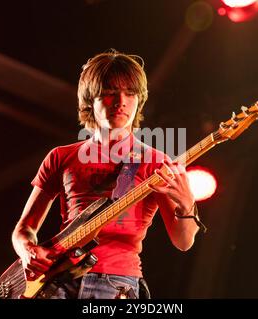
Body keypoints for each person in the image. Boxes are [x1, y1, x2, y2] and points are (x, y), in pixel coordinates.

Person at [11, 49, 205, 299]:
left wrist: (187, 202)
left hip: (116, 284)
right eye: (110, 92)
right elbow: (24, 228)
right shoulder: (61, 156)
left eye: (130, 93)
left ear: (139, 100)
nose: (121, 101)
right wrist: (28, 251)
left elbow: (183, 241)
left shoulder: (156, 162)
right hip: (57, 283)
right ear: (90, 100)